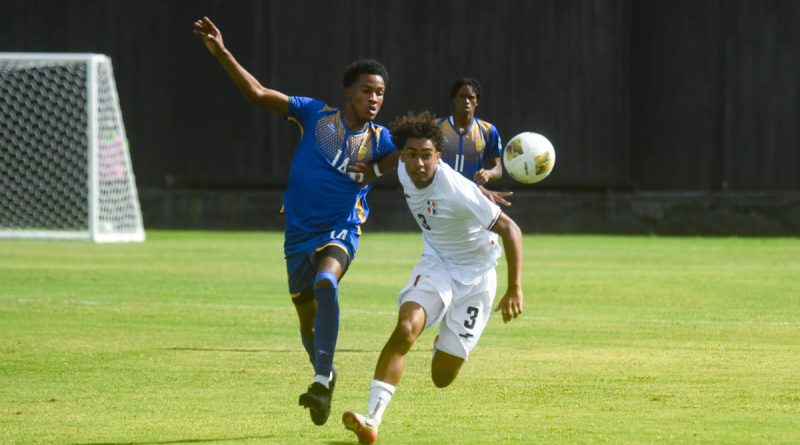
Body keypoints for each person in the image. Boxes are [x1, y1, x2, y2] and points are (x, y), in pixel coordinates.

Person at [193, 16, 398, 427]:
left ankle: (321, 380)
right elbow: (257, 93)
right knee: (306, 318)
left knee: (326, 282)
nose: (374, 98)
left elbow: (411, 156)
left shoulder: (381, 139)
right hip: (298, 234)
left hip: (342, 229)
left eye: (380, 93)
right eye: (367, 90)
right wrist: (222, 52)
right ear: (349, 92)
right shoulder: (313, 114)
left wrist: (376, 172)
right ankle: (326, 373)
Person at [342, 111, 524, 444]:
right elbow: (394, 156)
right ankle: (372, 419)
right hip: (437, 263)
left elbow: (511, 229)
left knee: (441, 378)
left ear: (438, 156)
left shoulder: (457, 190)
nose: (419, 162)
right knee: (405, 329)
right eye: (413, 155)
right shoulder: (402, 165)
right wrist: (372, 170)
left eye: (427, 155)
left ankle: (447, 338)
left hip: (477, 277)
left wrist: (514, 288)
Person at [438, 77, 504, 186]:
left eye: (471, 97)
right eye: (462, 96)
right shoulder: (436, 127)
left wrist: (488, 174)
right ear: (454, 99)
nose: (467, 101)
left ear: (477, 101)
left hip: (472, 195)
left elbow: (498, 168)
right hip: (442, 194)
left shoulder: (488, 130)